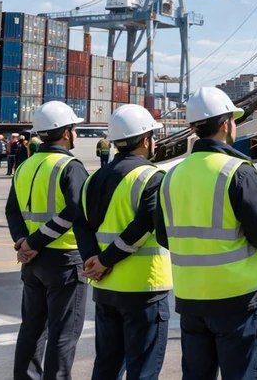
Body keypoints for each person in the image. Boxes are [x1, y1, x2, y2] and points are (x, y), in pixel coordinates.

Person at [153, 87, 257, 380]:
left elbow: (163, 236)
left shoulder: (172, 175)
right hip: (237, 299)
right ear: (225, 124)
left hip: (191, 300)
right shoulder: (238, 171)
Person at [76, 104, 171, 380]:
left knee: (106, 365)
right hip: (144, 287)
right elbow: (142, 226)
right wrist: (104, 261)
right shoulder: (153, 177)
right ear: (145, 140)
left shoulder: (93, 178)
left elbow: (79, 223)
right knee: (143, 368)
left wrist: (93, 260)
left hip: (105, 288)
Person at [5, 101, 96, 380]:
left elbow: (12, 210)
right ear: (67, 132)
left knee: (32, 328)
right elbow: (75, 210)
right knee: (63, 332)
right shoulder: (70, 166)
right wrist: (35, 241)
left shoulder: (25, 166)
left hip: (32, 262)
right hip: (65, 260)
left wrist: (24, 242)